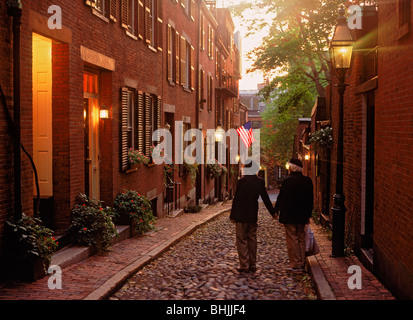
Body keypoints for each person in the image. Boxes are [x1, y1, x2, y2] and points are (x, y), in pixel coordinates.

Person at [230, 161, 276, 273]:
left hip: (241, 214)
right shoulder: (259, 182)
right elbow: (265, 198)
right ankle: (253, 264)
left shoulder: (241, 182)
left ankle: (244, 264)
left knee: (241, 239)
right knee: (252, 239)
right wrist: (273, 212)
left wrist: (232, 215)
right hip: (252, 214)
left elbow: (236, 199)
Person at [274, 158, 314, 272]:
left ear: (292, 168)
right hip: (302, 215)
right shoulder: (307, 181)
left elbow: (281, 197)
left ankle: (296, 263)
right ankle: (302, 262)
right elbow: (310, 199)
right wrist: (308, 214)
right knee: (301, 237)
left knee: (292, 238)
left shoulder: (287, 181)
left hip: (289, 215)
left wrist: (276, 210)